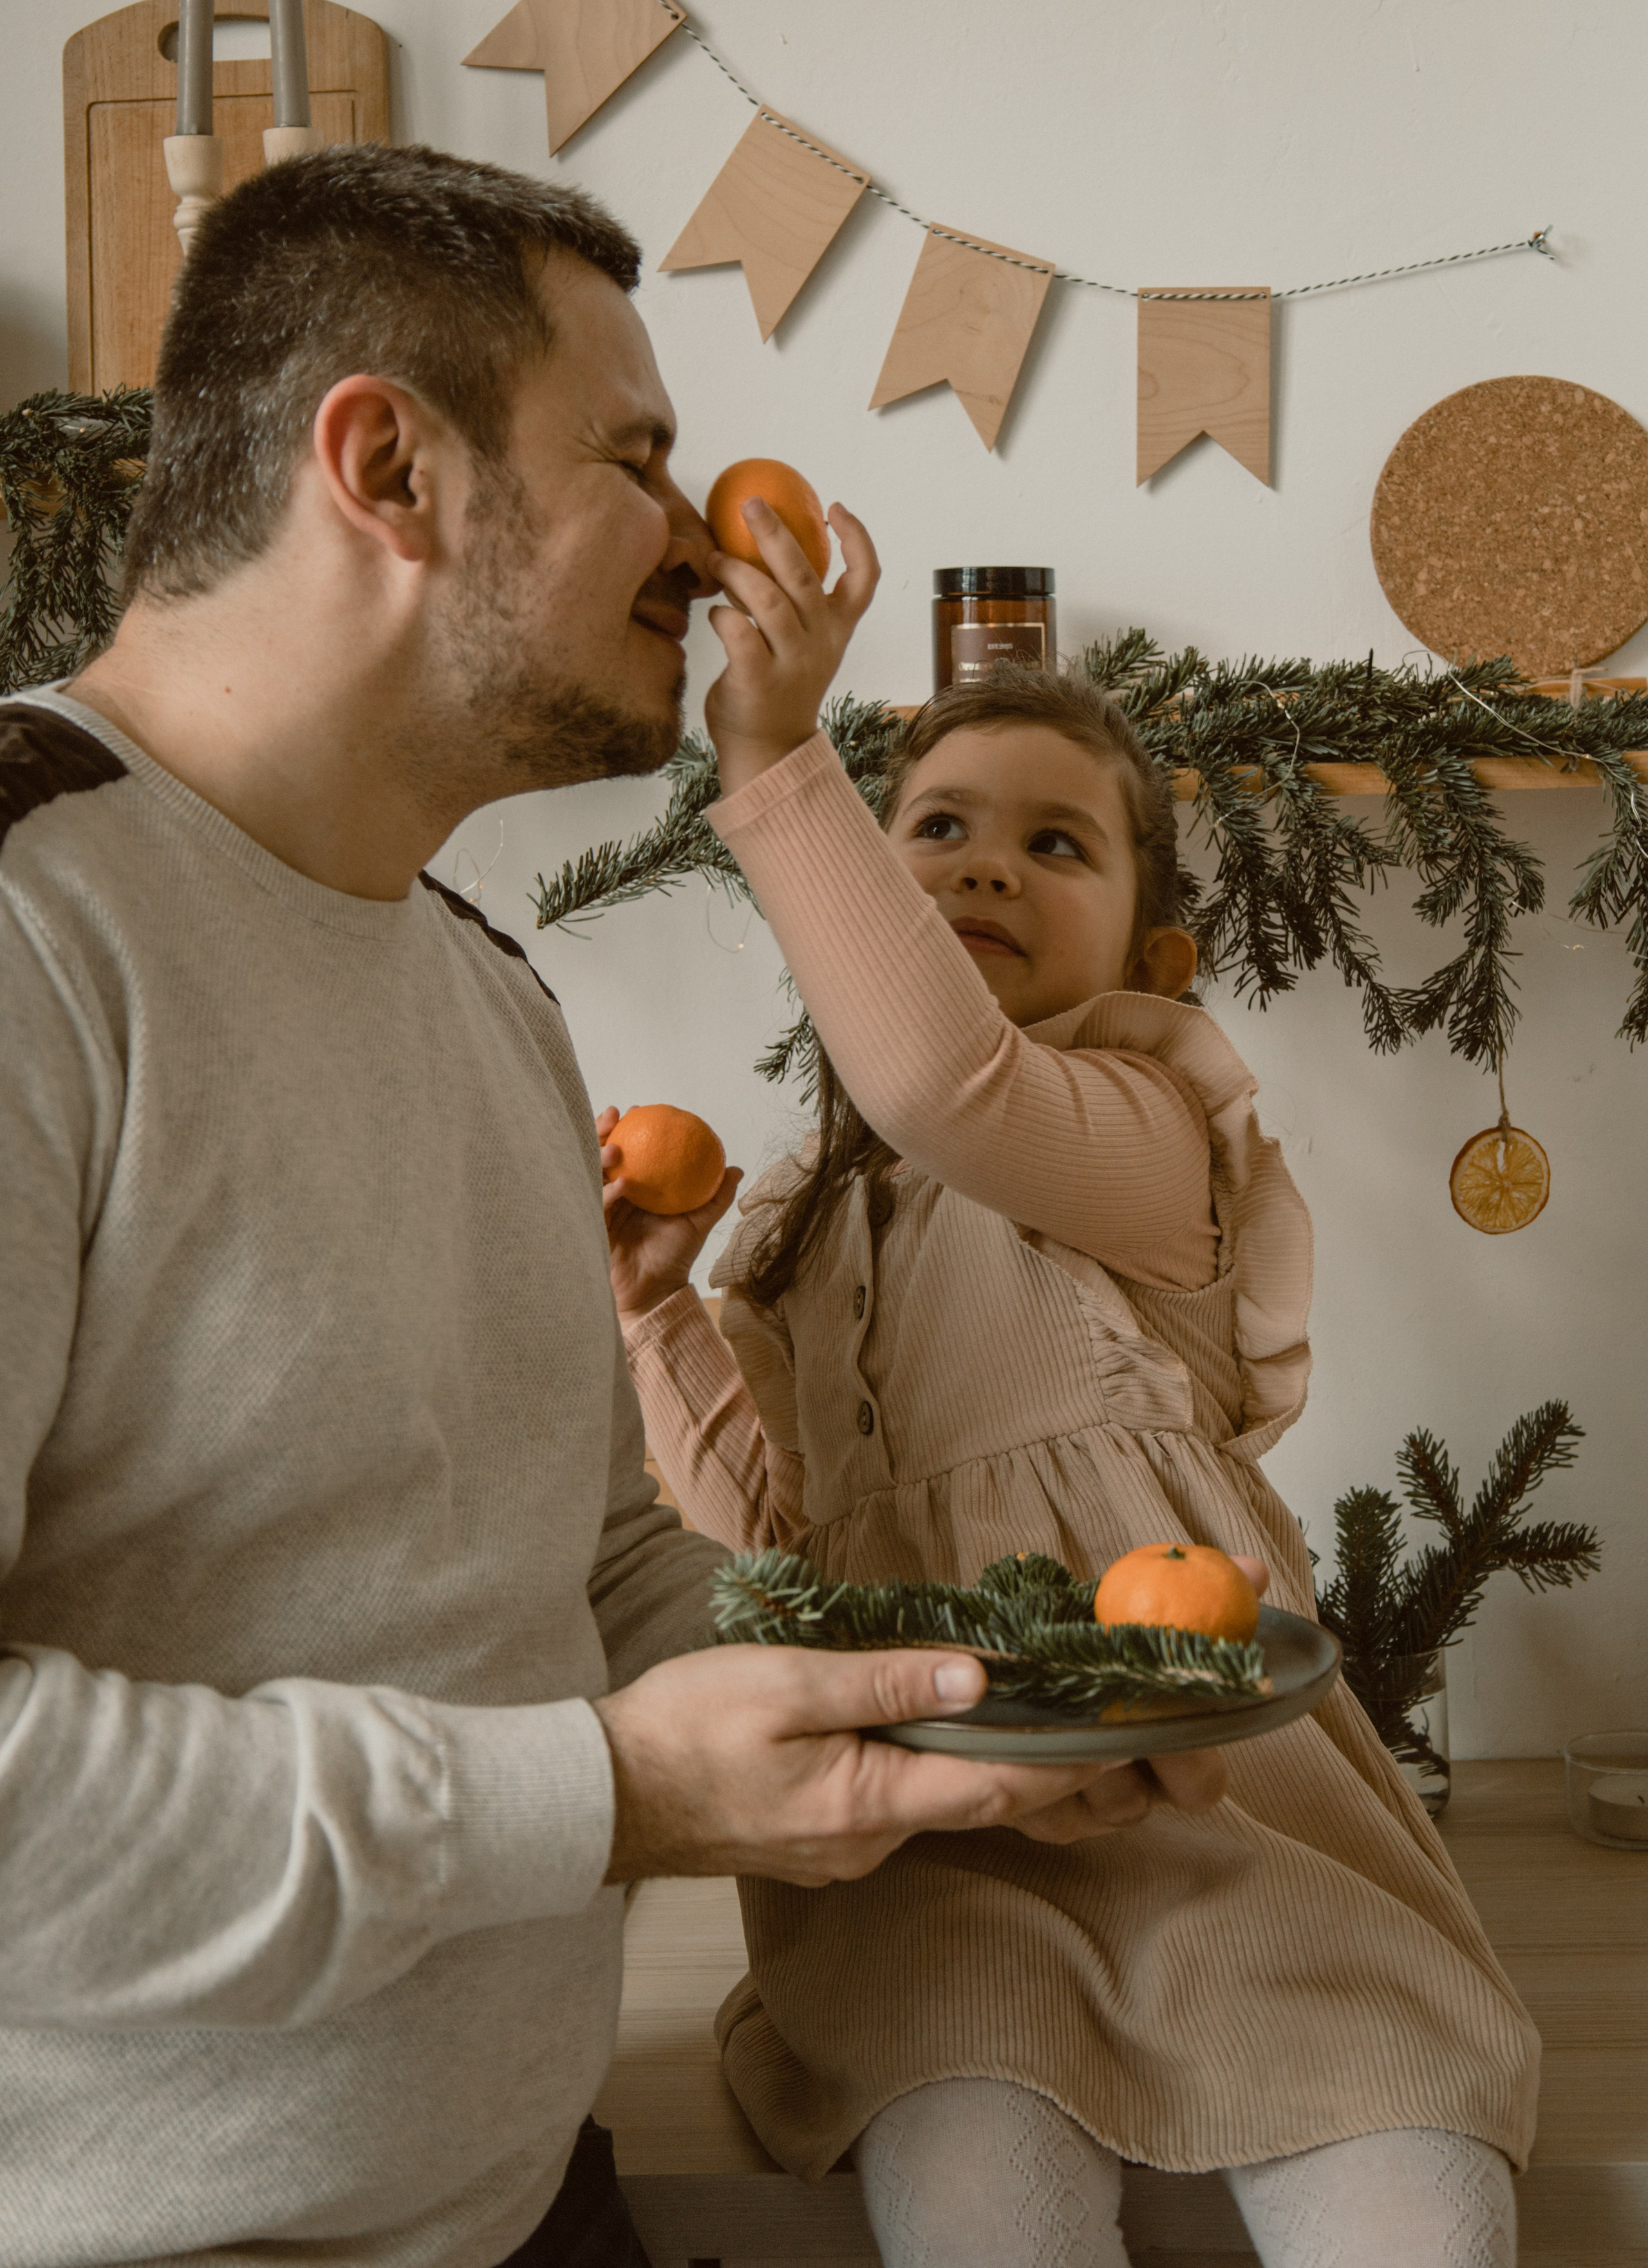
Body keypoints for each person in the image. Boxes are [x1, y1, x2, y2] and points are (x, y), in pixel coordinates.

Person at [0, 144, 1237, 2268]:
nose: (700, 538)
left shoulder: (486, 987)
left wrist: (963, 1704)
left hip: (522, 2199)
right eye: (638, 458)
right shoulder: (35, 928)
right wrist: (617, 1796)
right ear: (386, 463)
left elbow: (589, 1572)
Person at [608, 605, 1542, 2262]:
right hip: (932, 1860)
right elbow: (760, 1544)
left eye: (1053, 843)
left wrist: (771, 755)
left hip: (1218, 1823)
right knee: (967, 2169)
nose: (979, 872)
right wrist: (654, 1307)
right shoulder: (802, 1223)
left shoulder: (1132, 1123)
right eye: (936, 832)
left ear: (1149, 955)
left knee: (1395, 2141)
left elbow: (941, 1085)